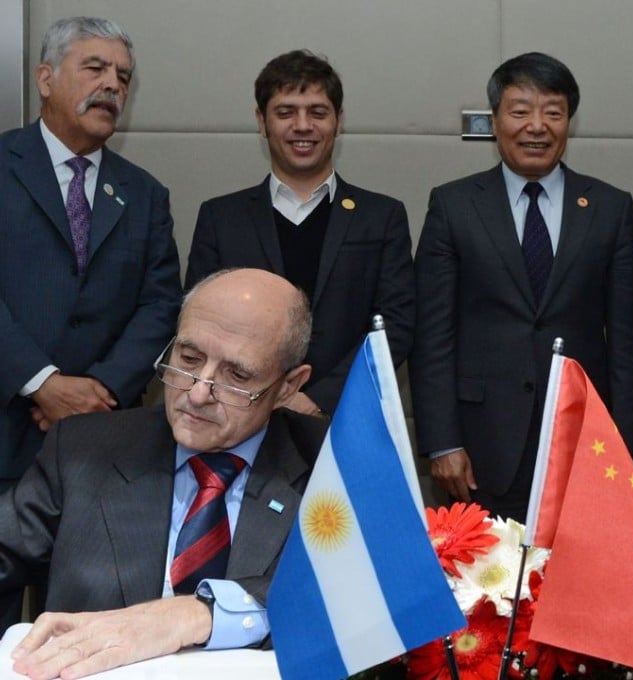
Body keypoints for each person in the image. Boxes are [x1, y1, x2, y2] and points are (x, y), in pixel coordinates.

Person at [1, 268, 326, 679]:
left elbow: (359, 590)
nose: (198, 393)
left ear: (288, 386)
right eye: (188, 359)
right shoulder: (85, 449)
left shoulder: (330, 465)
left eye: (237, 376)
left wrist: (198, 613)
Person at [411, 52, 633, 522]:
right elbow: (431, 335)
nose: (536, 126)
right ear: (496, 119)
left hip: (584, 442)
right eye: (520, 111)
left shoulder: (609, 208)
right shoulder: (454, 206)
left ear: (569, 122)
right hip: (480, 447)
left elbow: (628, 342)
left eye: (553, 113)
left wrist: (623, 446)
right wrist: (442, 442)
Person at [0, 16, 181, 489]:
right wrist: (41, 382)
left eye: (123, 76)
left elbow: (161, 304)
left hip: (105, 439)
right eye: (95, 68)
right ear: (45, 79)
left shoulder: (145, 194)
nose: (112, 85)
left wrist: (102, 390)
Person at [186, 49, 414, 416]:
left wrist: (318, 399)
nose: (303, 125)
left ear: (338, 121)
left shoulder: (382, 217)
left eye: (318, 112)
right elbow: (198, 326)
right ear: (262, 122)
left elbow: (396, 326)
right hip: (237, 413)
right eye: (286, 112)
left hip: (345, 418)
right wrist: (257, 395)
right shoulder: (220, 218)